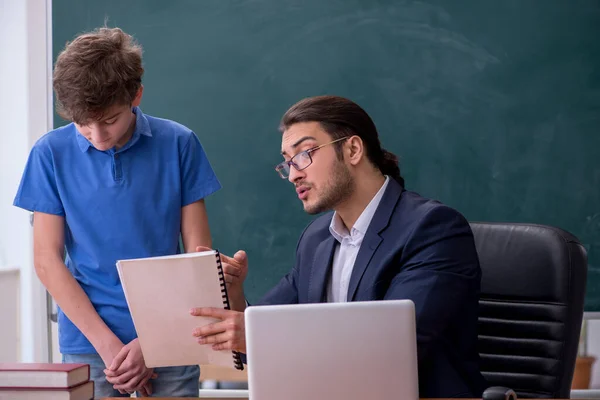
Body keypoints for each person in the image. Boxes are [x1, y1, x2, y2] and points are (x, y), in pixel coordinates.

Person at [191, 95, 488, 398]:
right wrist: (236, 295)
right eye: (288, 162)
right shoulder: (317, 239)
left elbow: (391, 350)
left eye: (304, 154)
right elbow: (261, 330)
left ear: (353, 149)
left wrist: (258, 338)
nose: (293, 174)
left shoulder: (433, 229)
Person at [13, 27, 220, 398]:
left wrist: (154, 342)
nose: (97, 135)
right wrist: (110, 347)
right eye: (82, 123)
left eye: (109, 120)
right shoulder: (49, 154)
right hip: (88, 341)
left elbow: (197, 257)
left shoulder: (179, 144)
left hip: (172, 333)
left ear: (136, 95)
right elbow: (47, 260)